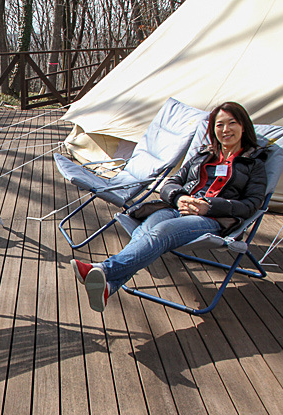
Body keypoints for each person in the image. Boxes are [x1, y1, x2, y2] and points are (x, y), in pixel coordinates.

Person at [71, 101, 268, 312]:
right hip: (176, 208)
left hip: (211, 218)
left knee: (161, 232)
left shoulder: (254, 165)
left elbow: (251, 205)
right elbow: (172, 183)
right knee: (145, 231)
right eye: (219, 125)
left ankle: (103, 269)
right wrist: (179, 197)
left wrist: (209, 206)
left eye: (232, 123)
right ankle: (109, 286)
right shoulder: (203, 155)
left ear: (244, 127)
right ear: (213, 130)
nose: (226, 129)